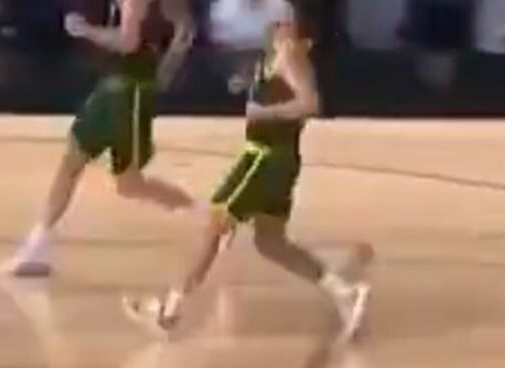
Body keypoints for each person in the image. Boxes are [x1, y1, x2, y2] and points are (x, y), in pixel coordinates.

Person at [122, 19, 370, 343]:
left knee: (212, 227)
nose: (278, 26)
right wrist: (249, 86)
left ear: (300, 37)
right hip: (279, 160)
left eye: (287, 25)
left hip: (263, 158)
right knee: (271, 242)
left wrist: (266, 113)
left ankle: (169, 311)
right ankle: (345, 292)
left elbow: (309, 103)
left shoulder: (290, 57)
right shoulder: (271, 61)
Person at [0, 0, 196, 277]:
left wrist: (85, 31)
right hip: (126, 88)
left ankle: (204, 219)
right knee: (116, 179)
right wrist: (167, 66)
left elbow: (128, 42)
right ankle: (204, 218)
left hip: (125, 89)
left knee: (99, 172)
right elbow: (183, 30)